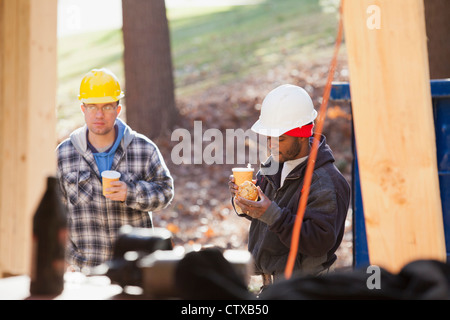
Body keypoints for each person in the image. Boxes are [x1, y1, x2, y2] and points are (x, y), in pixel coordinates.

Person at [228, 84, 350, 287]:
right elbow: (261, 213)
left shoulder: (326, 182)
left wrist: (272, 214)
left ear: (302, 135)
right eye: (268, 138)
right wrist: (242, 200)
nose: (271, 145)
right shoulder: (272, 165)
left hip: (306, 289)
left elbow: (318, 242)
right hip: (271, 286)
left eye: (280, 139)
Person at [56, 68, 174, 269]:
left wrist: (131, 192)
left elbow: (165, 192)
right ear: (83, 109)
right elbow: (55, 214)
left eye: (107, 107)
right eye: (92, 107)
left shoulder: (143, 148)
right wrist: (72, 258)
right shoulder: (64, 154)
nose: (99, 114)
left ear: (118, 110)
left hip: (136, 267)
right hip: (86, 270)